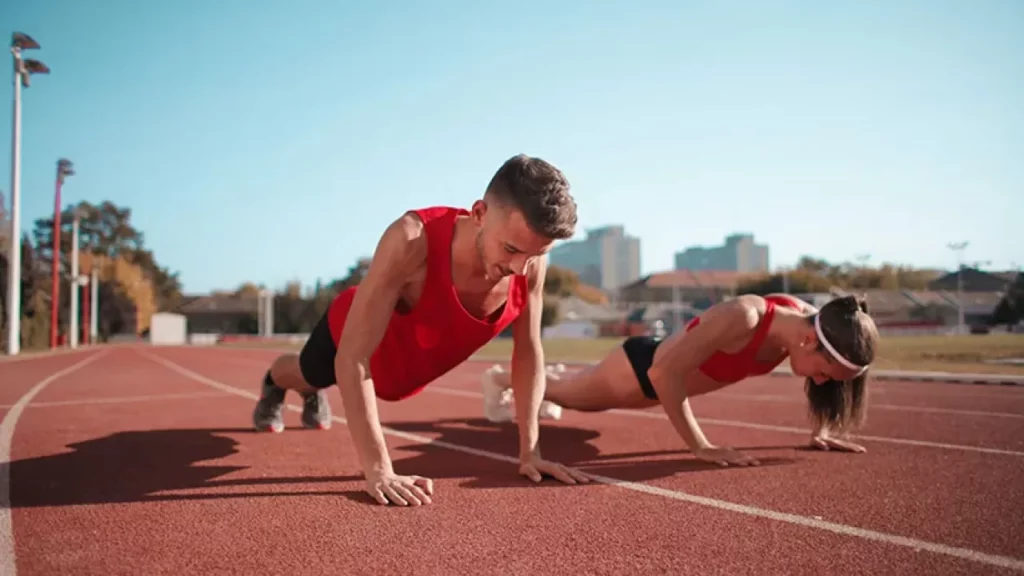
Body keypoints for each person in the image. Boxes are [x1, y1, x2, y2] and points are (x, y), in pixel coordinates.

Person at [252, 153, 592, 506]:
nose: (521, 269)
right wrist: (379, 470)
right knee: (309, 375)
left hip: (406, 371)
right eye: (510, 249)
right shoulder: (412, 240)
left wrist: (530, 452)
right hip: (352, 338)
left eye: (535, 255)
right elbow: (352, 357)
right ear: (478, 214)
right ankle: (275, 384)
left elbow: (528, 350)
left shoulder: (529, 259)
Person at [481, 293, 878, 466]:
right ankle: (500, 380)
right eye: (826, 373)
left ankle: (541, 380)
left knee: (567, 399)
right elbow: (662, 372)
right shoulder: (745, 317)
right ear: (809, 340)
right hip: (640, 371)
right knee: (567, 399)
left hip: (662, 383)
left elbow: (830, 377)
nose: (824, 383)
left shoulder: (809, 325)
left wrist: (821, 430)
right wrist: (701, 447)